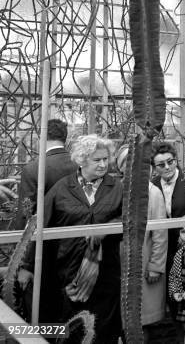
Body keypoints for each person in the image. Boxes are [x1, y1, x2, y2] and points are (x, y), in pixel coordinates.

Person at [19, 135, 123, 343]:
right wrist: (27, 265)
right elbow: (41, 226)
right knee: (71, 325)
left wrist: (107, 228)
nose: (103, 164)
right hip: (67, 269)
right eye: (97, 160)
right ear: (82, 160)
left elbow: (128, 219)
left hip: (105, 272)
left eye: (105, 159)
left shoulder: (117, 187)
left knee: (103, 327)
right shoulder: (62, 188)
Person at [116, 145, 168, 342]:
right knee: (124, 318)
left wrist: (155, 265)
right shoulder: (115, 188)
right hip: (120, 264)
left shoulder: (152, 192)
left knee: (141, 319)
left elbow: (160, 233)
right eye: (126, 163)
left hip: (144, 261)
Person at [150, 142, 185, 322]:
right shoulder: (152, 186)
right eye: (161, 165)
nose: (167, 167)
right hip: (165, 248)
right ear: (154, 168)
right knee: (173, 293)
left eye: (171, 161)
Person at [14, 119, 78, 229]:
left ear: (41, 137)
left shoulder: (32, 169)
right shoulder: (79, 165)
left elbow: (26, 211)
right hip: (76, 232)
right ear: (65, 139)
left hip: (45, 235)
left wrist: (20, 242)